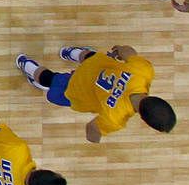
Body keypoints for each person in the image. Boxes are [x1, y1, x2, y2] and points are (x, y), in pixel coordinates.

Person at [15, 46, 176, 143]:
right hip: (77, 88)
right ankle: (28, 67)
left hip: (94, 65)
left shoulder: (144, 72)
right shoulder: (115, 119)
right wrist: (95, 140)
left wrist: (119, 49)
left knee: (88, 56)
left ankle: (70, 52)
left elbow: (128, 51)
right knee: (48, 79)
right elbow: (92, 129)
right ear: (142, 118)